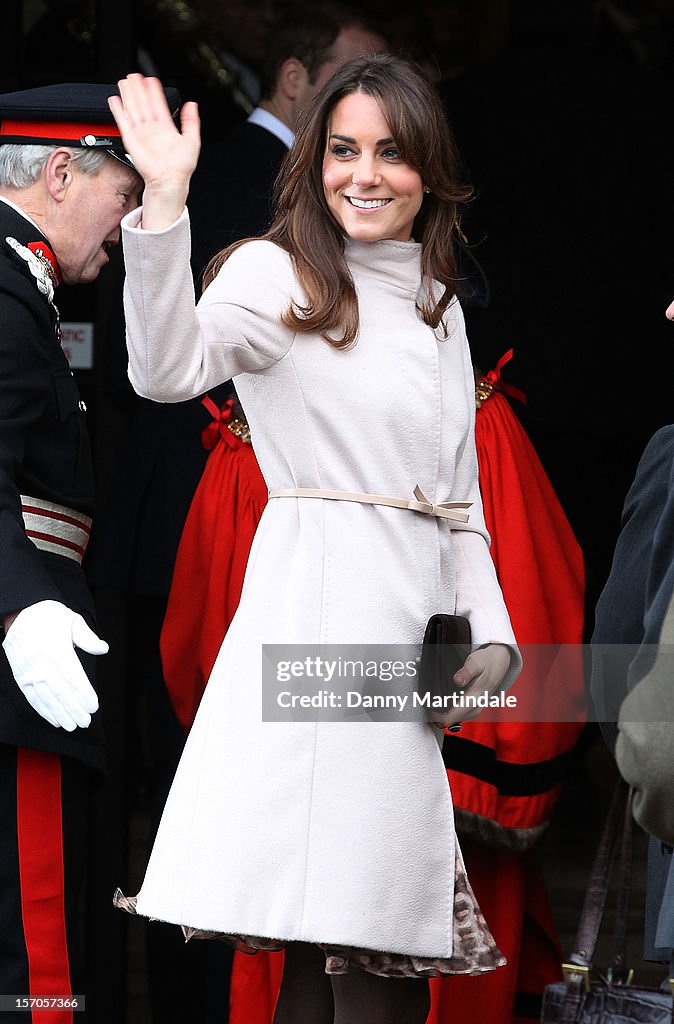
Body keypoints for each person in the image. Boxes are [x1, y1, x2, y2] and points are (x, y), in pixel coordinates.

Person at [109, 57, 520, 1024]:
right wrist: (165, 204)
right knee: (346, 940)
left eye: (391, 152)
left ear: (431, 171)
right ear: (314, 162)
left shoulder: (440, 306)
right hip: (313, 629)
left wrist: (492, 637)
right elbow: (164, 370)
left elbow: (459, 507)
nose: (364, 175)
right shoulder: (272, 271)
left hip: (411, 650)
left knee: (355, 946)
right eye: (342, 150)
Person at [0, 82, 144, 1019]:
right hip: (24, 655)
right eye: (125, 198)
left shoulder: (22, 286)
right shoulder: (5, 292)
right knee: (34, 955)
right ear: (61, 171)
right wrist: (24, 604)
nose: (127, 227)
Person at [188, 0, 386, 281]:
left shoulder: (249, 167)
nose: (376, 100)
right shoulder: (243, 181)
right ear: (293, 78)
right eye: (354, 79)